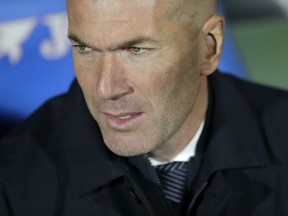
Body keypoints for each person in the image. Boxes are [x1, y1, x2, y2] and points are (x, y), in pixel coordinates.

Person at [0, 0, 288, 215]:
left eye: (137, 50)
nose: (105, 89)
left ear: (209, 46)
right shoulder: (13, 182)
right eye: (84, 49)